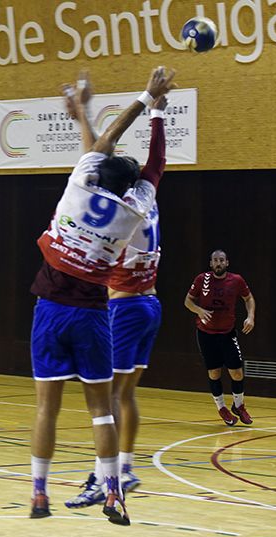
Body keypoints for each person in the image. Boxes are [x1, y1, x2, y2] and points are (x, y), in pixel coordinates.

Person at [28, 67, 175, 525]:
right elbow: (155, 165)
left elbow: (103, 144)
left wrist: (140, 100)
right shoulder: (136, 210)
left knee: (49, 408)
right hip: (98, 311)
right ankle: (114, 490)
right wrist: (157, 113)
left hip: (57, 308)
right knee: (104, 409)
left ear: (98, 173)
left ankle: (39, 494)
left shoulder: (78, 187)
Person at [66, 94, 169, 508]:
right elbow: (155, 162)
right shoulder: (147, 200)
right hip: (150, 306)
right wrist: (157, 113)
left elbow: (92, 158)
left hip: (124, 308)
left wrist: (83, 117)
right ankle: (124, 468)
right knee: (125, 395)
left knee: (106, 398)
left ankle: (104, 477)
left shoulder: (113, 213)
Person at [184, 249, 256, 426]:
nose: (218, 263)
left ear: (227, 263)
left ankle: (238, 406)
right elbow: (188, 301)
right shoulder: (202, 279)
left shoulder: (236, 280)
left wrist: (251, 316)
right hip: (206, 334)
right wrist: (199, 310)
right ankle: (222, 408)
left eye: (221, 260)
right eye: (215, 260)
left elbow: (248, 298)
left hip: (227, 333)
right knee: (214, 372)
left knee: (236, 372)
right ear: (211, 263)